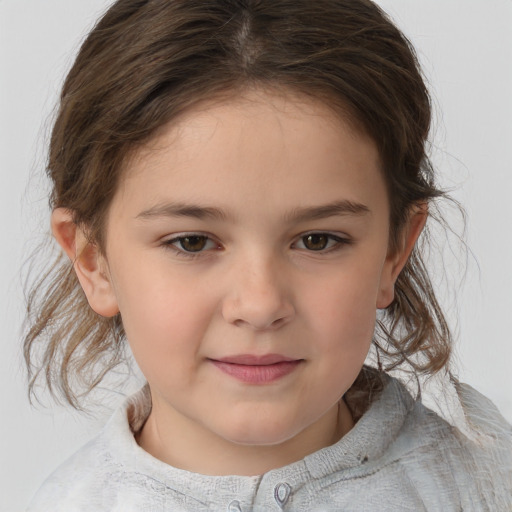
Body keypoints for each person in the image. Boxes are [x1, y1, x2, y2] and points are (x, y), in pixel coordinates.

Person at [24, 0, 512, 510]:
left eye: (318, 240)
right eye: (191, 242)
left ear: (395, 250)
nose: (259, 305)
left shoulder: (485, 483)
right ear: (92, 260)